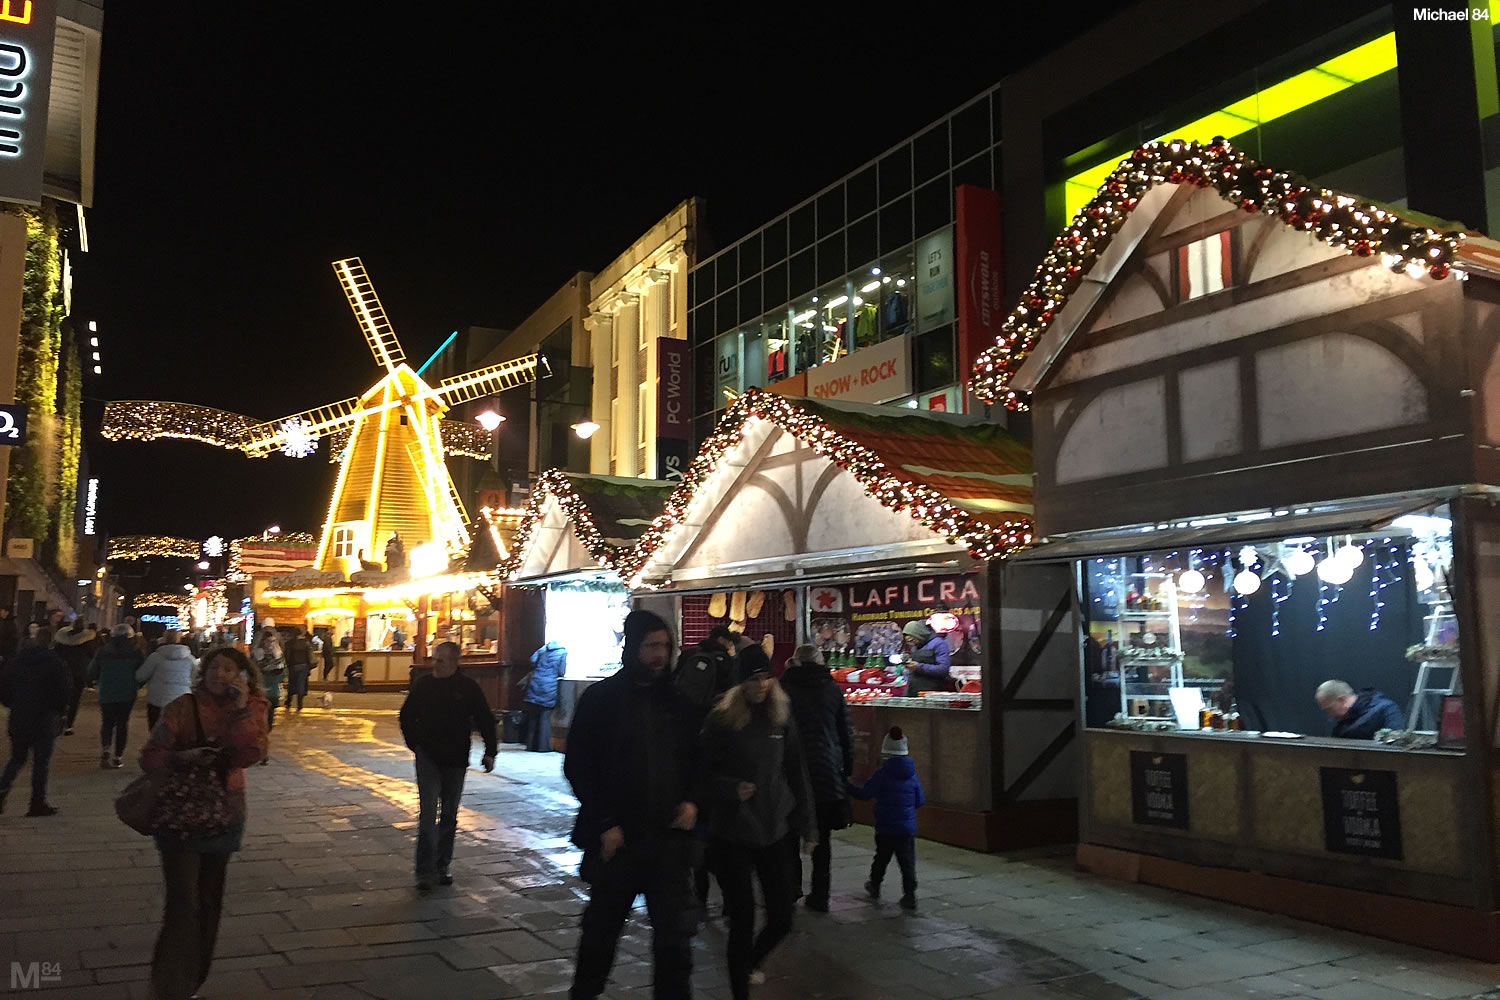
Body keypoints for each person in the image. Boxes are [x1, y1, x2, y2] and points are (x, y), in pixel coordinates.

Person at [565, 609, 701, 1000]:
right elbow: (579, 765)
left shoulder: (678, 702)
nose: (660, 655)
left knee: (674, 941)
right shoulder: (602, 699)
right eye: (652, 646)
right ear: (633, 647)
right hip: (619, 841)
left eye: (666, 646)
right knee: (601, 934)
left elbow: (697, 760)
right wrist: (605, 821)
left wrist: (693, 801)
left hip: (668, 840)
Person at [141, 646, 268, 1000]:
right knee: (183, 903)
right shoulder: (182, 707)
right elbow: (151, 757)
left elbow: (254, 753)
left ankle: (192, 981)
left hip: (224, 815)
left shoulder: (254, 707)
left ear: (242, 676)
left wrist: (241, 710)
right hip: (179, 818)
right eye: (215, 667)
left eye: (229, 669)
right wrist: (183, 758)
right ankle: (168, 987)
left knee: (209, 902)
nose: (220, 675)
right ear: (203, 671)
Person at [702, 644, 816, 999]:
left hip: (774, 828)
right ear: (741, 683)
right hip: (734, 832)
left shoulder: (781, 717)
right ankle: (740, 988)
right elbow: (699, 773)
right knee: (742, 919)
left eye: (767, 677)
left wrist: (809, 825)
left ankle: (750, 961)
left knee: (782, 917)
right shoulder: (722, 720)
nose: (762, 685)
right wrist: (729, 788)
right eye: (754, 679)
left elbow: (797, 772)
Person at [398, 641, 497, 890]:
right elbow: (407, 715)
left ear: (455, 662)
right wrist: (415, 744)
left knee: (450, 815)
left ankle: (442, 865)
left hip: (455, 759)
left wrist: (490, 752)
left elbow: (485, 718)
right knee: (428, 814)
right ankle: (424, 871)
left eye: (440, 660)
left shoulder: (467, 687)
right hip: (428, 757)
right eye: (434, 659)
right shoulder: (424, 685)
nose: (435, 664)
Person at [780, 644, 854, 912]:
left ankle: (791, 888)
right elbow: (845, 731)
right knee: (822, 838)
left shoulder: (784, 688)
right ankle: (820, 895)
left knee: (789, 831)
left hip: (791, 768)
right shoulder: (831, 688)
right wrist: (846, 766)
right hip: (824, 768)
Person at [850, 726, 925, 910]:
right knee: (907, 862)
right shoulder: (913, 776)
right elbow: (920, 801)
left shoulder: (882, 775)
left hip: (885, 827)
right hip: (906, 829)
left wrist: (846, 787)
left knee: (881, 859)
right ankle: (909, 895)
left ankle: (874, 885)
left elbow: (866, 794)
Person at [0, 626, 70, 816]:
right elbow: (63, 692)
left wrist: (12, 704)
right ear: (50, 641)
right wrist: (60, 712)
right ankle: (37, 802)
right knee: (41, 762)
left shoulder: (16, 661)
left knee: (17, 757)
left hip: (20, 716)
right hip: (44, 718)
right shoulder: (55, 662)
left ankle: (2, 789)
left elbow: (4, 687)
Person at [89, 623, 144, 769]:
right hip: (127, 693)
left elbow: (92, 671)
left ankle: (106, 748)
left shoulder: (103, 651)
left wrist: (94, 680)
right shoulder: (136, 652)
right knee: (122, 724)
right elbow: (142, 674)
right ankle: (118, 757)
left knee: (107, 722)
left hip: (107, 691)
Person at [137, 629, 196, 731]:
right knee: (179, 732)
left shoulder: (155, 657)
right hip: (181, 699)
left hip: (157, 699)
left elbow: (141, 676)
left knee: (156, 732)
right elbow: (195, 678)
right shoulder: (190, 659)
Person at [53, 618, 98, 736]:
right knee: (75, 699)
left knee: (61, 696)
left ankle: (60, 718)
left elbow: (55, 654)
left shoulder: (62, 639)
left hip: (63, 671)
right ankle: (69, 725)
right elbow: (92, 654)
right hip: (79, 672)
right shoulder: (87, 640)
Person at [1316, 679, 1404, 739]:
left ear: (1342, 700)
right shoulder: (1342, 722)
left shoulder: (1386, 709)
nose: (1329, 714)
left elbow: (1395, 745)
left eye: (1329, 709)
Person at [523, 640, 566, 753]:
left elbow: (532, 660)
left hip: (535, 682)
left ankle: (530, 746)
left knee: (533, 717)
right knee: (545, 717)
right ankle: (543, 747)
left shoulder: (543, 649)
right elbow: (561, 671)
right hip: (549, 686)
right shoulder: (562, 652)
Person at [251, 626, 285, 761]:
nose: (270, 644)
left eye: (272, 641)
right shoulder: (257, 655)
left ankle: (261, 747)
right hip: (260, 693)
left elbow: (283, 673)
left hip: (273, 694)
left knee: (268, 724)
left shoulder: (279, 655)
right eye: (267, 641)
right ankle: (261, 751)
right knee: (259, 722)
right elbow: (253, 671)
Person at [901, 621, 953, 696]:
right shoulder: (915, 647)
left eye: (912, 640)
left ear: (919, 634)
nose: (912, 644)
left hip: (932, 692)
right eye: (908, 642)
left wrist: (918, 667)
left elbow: (943, 669)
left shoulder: (939, 644)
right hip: (913, 691)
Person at [284, 628, 314, 713]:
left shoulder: (290, 643)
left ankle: (288, 701)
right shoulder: (306, 642)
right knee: (301, 684)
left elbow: (287, 656)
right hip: (304, 666)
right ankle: (300, 703)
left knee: (292, 684)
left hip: (293, 665)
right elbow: (309, 655)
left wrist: (287, 664)